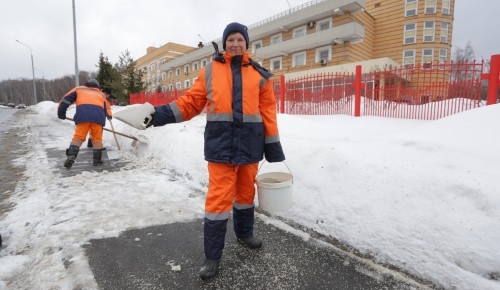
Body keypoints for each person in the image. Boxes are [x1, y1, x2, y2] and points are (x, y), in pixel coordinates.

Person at [144, 22, 285, 280]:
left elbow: (268, 113)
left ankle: (244, 234)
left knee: (245, 194)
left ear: (246, 44)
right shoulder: (211, 70)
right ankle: (212, 257)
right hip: (221, 147)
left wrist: (273, 148)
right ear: (224, 43)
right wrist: (158, 115)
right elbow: (190, 103)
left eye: (239, 40)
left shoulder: (260, 75)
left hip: (251, 147)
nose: (235, 44)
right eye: (230, 39)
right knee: (218, 202)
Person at [58, 79, 113, 168]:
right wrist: (103, 121)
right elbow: (105, 108)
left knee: (78, 138)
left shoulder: (79, 89)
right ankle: (97, 160)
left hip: (83, 117)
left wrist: (61, 112)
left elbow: (65, 100)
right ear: (97, 87)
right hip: (98, 118)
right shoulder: (101, 94)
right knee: (97, 140)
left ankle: (71, 155)